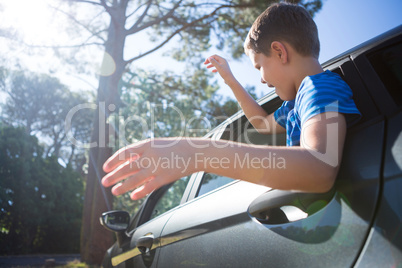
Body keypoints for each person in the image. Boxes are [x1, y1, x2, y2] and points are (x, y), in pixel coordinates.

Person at [101, 2, 361, 200]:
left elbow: (320, 169)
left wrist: (196, 153)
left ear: (279, 52)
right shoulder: (297, 104)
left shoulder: (318, 87)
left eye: (259, 66)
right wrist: (231, 81)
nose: (261, 79)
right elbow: (262, 123)